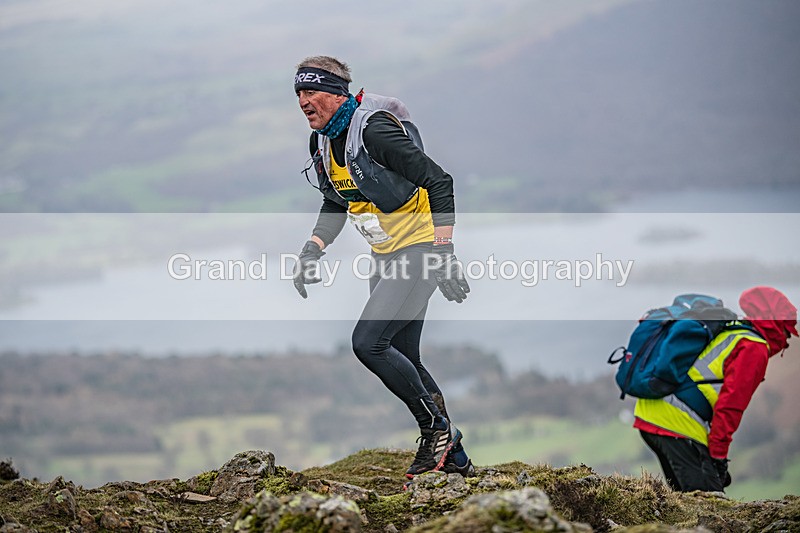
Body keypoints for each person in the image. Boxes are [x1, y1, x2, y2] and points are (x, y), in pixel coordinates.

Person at [290, 56, 474, 478]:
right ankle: (455, 458)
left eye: (311, 90)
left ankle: (436, 431)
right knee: (404, 354)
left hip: (420, 248)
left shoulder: (375, 130)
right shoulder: (320, 141)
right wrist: (312, 248)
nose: (303, 100)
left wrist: (443, 253)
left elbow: (440, 181)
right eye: (298, 93)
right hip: (385, 254)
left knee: (368, 342)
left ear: (337, 93)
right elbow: (336, 200)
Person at [633, 286, 798, 492]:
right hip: (677, 422)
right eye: (788, 333)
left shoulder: (734, 331)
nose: (787, 342)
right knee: (710, 505)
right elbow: (730, 406)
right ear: (777, 327)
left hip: (652, 413)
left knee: (684, 505)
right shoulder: (753, 348)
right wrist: (718, 455)